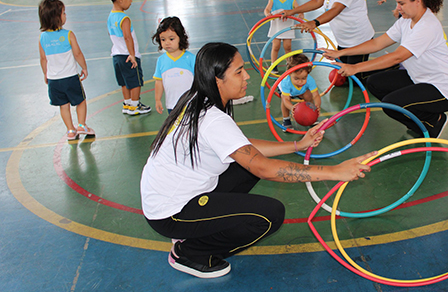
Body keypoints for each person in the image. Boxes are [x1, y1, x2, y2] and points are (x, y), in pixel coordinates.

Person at [140, 42, 373, 279]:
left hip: (172, 194)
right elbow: (265, 169)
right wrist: (335, 172)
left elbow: (239, 145)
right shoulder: (211, 118)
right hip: (171, 211)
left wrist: (297, 145)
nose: (247, 77)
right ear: (217, 79)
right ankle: (190, 252)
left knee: (247, 166)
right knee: (269, 214)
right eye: (239, 71)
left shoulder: (199, 97)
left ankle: (195, 231)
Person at [322, 0, 448, 139]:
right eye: (397, 3)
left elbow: (397, 57)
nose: (398, 8)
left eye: (401, 3)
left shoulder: (427, 26)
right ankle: (420, 122)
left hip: (443, 88)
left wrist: (355, 67)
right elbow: (377, 43)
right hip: (419, 78)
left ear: (418, 1)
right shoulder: (406, 20)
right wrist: (341, 52)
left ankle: (434, 121)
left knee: (392, 105)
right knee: (375, 83)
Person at [38, 0, 95, 141]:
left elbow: (43, 59)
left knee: (63, 106)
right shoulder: (68, 35)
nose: (65, 16)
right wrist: (84, 67)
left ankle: (70, 130)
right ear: (56, 18)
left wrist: (46, 73)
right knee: (80, 101)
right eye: (63, 13)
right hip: (70, 77)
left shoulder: (42, 38)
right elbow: (77, 53)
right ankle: (81, 125)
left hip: (54, 80)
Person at [107, 0, 151, 116]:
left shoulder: (111, 16)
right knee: (135, 82)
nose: (131, 1)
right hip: (128, 55)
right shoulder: (124, 18)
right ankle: (135, 105)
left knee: (124, 82)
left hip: (116, 55)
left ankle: (127, 104)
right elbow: (127, 37)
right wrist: (132, 54)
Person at [151, 17, 195, 115]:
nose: (167, 42)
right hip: (172, 105)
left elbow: (200, 81)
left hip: (190, 103)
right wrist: (157, 100)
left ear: (180, 37)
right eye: (163, 39)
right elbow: (159, 82)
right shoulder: (161, 61)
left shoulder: (191, 58)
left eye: (171, 39)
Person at [264, 0, 303, 73]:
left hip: (287, 26)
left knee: (288, 47)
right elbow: (266, 9)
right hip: (277, 26)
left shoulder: (292, 0)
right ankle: (273, 65)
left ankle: (289, 64)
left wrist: (300, 14)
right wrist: (268, 14)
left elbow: (299, 8)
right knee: (276, 46)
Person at [278, 54, 321, 130]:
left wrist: (317, 106)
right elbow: (286, 99)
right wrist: (292, 108)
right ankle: (286, 119)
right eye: (296, 78)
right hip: (289, 91)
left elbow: (316, 95)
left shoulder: (310, 80)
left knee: (309, 95)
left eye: (303, 78)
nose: (300, 82)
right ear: (290, 73)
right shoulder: (286, 82)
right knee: (283, 99)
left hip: (301, 91)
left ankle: (311, 113)